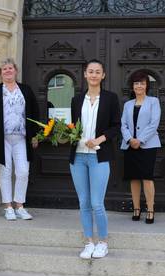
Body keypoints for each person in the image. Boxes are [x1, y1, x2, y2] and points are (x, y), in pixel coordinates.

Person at [69, 59, 121, 259]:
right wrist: (68, 134)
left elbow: (116, 126)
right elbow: (73, 126)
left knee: (97, 202)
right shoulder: (76, 100)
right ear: (85, 74)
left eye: (97, 72)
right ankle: (89, 241)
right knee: (83, 202)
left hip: (100, 156)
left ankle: (103, 242)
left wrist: (99, 139)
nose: (93, 75)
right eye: (90, 71)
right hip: (78, 157)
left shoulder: (110, 98)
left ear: (103, 75)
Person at [0, 58, 39, 221]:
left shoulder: (25, 90)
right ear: (0, 73)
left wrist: (35, 134)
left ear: (16, 71)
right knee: (5, 172)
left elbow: (34, 113)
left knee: (23, 171)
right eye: (4, 69)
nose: (8, 71)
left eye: (10, 68)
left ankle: (20, 205)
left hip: (21, 138)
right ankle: (8, 206)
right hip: (1, 139)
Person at [120, 71, 161, 224]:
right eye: (136, 83)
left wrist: (140, 139)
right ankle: (136, 209)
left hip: (148, 145)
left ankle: (150, 209)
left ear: (146, 86)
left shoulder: (154, 102)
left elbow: (154, 123)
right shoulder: (127, 104)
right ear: (132, 86)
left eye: (142, 83)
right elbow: (123, 124)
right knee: (134, 178)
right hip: (130, 145)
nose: (139, 86)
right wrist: (130, 139)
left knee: (147, 178)